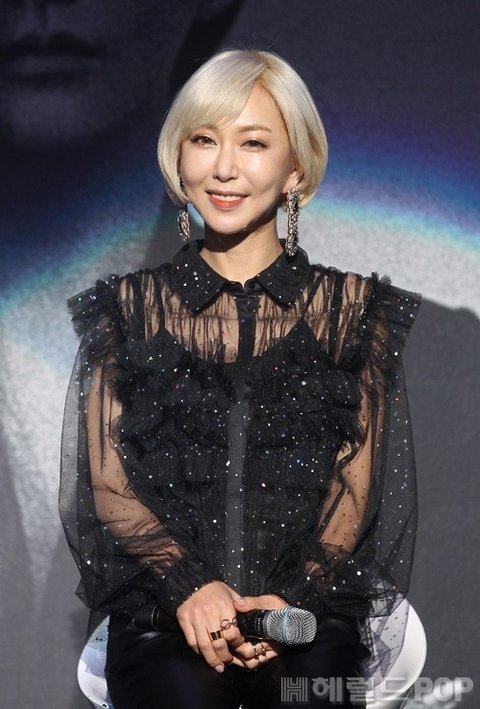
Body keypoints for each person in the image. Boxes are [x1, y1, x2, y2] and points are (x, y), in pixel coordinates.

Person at [59, 49, 422, 708]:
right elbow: (108, 482)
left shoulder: (352, 311)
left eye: (253, 143)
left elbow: (355, 483)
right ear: (180, 160)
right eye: (204, 139)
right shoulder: (128, 310)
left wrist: (295, 600)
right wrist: (190, 587)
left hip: (308, 611)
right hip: (166, 609)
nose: (223, 167)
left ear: (295, 169)